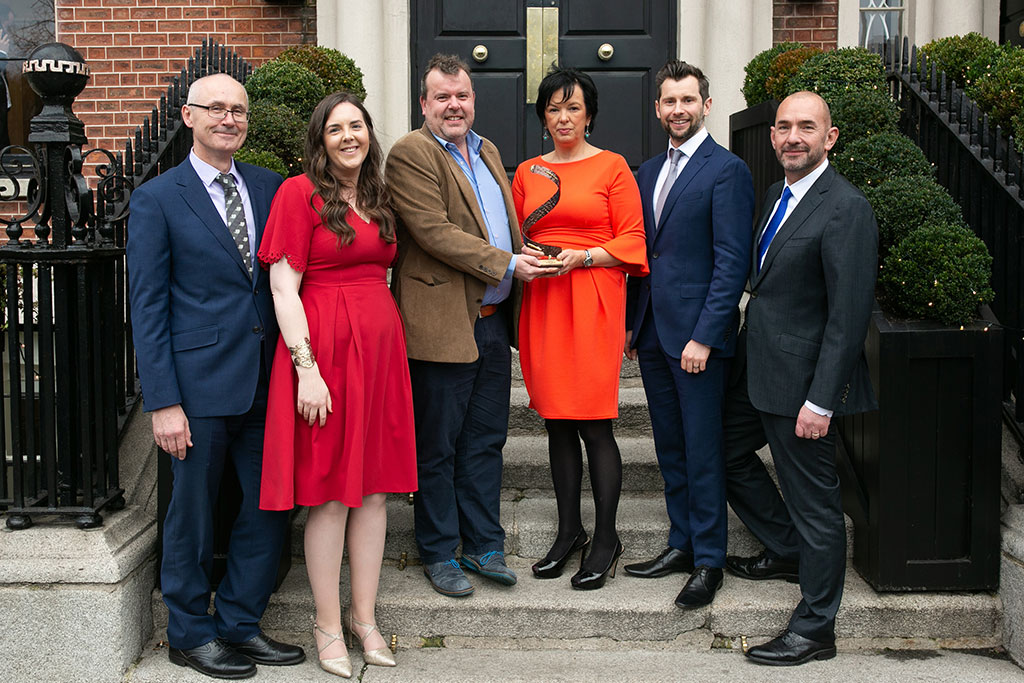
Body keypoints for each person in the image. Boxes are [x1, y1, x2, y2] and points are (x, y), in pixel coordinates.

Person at [126, 73, 303, 680]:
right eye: (217, 109)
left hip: (268, 380)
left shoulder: (270, 186)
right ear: (188, 116)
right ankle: (188, 633)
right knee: (193, 514)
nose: (230, 119)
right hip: (197, 387)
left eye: (239, 110)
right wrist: (162, 401)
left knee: (269, 504)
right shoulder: (157, 199)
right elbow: (147, 306)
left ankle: (240, 623)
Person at [257, 92, 417, 678]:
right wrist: (306, 369)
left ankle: (364, 617)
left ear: (370, 132)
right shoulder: (298, 193)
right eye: (335, 129)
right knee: (329, 493)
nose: (349, 136)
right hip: (323, 353)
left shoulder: (380, 194)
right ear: (319, 140)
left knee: (374, 490)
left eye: (357, 125)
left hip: (380, 355)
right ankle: (327, 622)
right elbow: (283, 289)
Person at [385, 54, 551, 598]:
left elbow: (497, 223)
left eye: (462, 96)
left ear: (473, 99)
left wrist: (528, 252)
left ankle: (484, 545)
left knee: (485, 440)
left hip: (492, 323)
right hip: (441, 323)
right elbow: (433, 232)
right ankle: (438, 550)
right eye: (442, 97)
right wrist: (508, 263)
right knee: (438, 445)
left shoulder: (488, 150)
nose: (453, 106)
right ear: (424, 103)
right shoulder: (411, 153)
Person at [723, 91, 878, 666]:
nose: (793, 137)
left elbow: (848, 318)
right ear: (772, 136)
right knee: (721, 451)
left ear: (829, 138)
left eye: (807, 127)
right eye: (784, 126)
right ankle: (787, 549)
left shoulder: (846, 208)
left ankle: (816, 628)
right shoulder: (776, 195)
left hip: (803, 385)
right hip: (757, 371)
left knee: (816, 505)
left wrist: (822, 401)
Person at [622, 61, 753, 608]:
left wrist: (705, 336)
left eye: (688, 100)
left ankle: (709, 560)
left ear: (706, 105)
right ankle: (681, 543)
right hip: (654, 334)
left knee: (703, 451)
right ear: (658, 109)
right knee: (671, 447)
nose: (678, 109)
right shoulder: (648, 171)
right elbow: (642, 254)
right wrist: (633, 325)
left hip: (698, 341)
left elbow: (731, 263)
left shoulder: (727, 170)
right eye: (669, 101)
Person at [513, 66, 648, 590]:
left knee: (594, 423)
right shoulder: (528, 172)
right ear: (543, 116)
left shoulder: (613, 167)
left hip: (592, 297)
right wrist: (524, 258)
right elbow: (513, 235)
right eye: (554, 108)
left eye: (573, 107)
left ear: (589, 114)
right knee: (556, 421)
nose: (563, 117)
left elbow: (633, 239)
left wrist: (584, 257)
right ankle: (569, 531)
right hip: (545, 299)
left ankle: (607, 538)